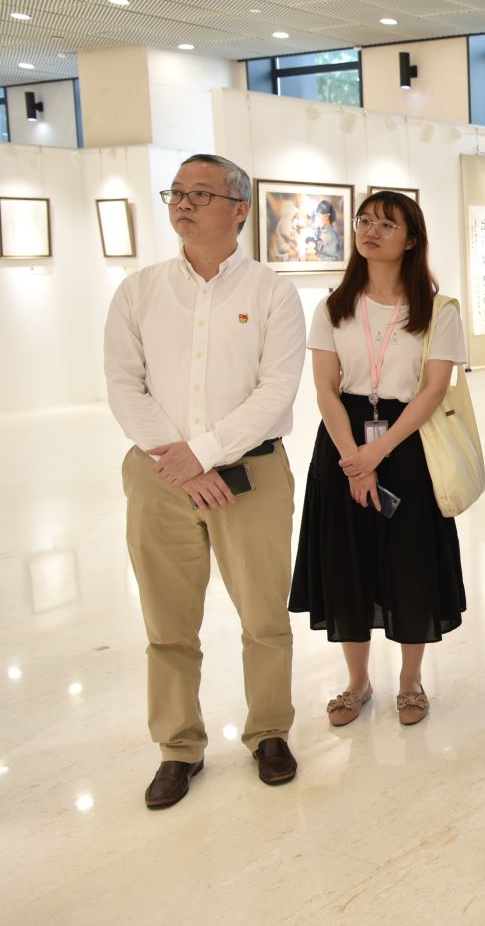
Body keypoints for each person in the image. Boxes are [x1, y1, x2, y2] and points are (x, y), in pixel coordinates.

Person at [103, 153, 306, 808]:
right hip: (158, 476)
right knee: (167, 623)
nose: (183, 204)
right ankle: (178, 746)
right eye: (176, 193)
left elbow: (276, 391)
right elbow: (123, 385)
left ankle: (269, 732)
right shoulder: (138, 291)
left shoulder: (272, 292)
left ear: (240, 209)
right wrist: (180, 461)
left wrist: (205, 454)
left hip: (251, 473)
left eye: (200, 193)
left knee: (264, 617)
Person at [290, 190, 468, 729]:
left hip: (409, 442)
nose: (371, 231)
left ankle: (411, 682)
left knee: (410, 562)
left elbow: (433, 390)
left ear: (411, 240)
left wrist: (378, 452)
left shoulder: (437, 311)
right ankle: (357, 682)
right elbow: (325, 390)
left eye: (387, 225)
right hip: (342, 442)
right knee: (346, 561)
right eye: (364, 221)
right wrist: (355, 459)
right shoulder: (332, 307)